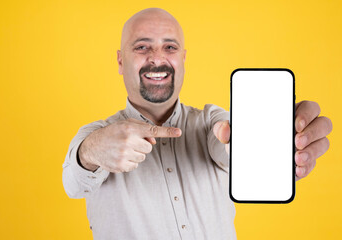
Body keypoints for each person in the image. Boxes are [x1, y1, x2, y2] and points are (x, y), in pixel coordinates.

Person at [62, 8, 332, 240]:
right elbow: (72, 182)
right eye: (142, 47)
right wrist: (93, 149)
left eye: (170, 47)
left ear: (183, 59)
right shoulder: (94, 134)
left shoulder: (211, 120)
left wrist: (274, 142)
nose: (157, 58)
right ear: (121, 61)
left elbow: (227, 142)